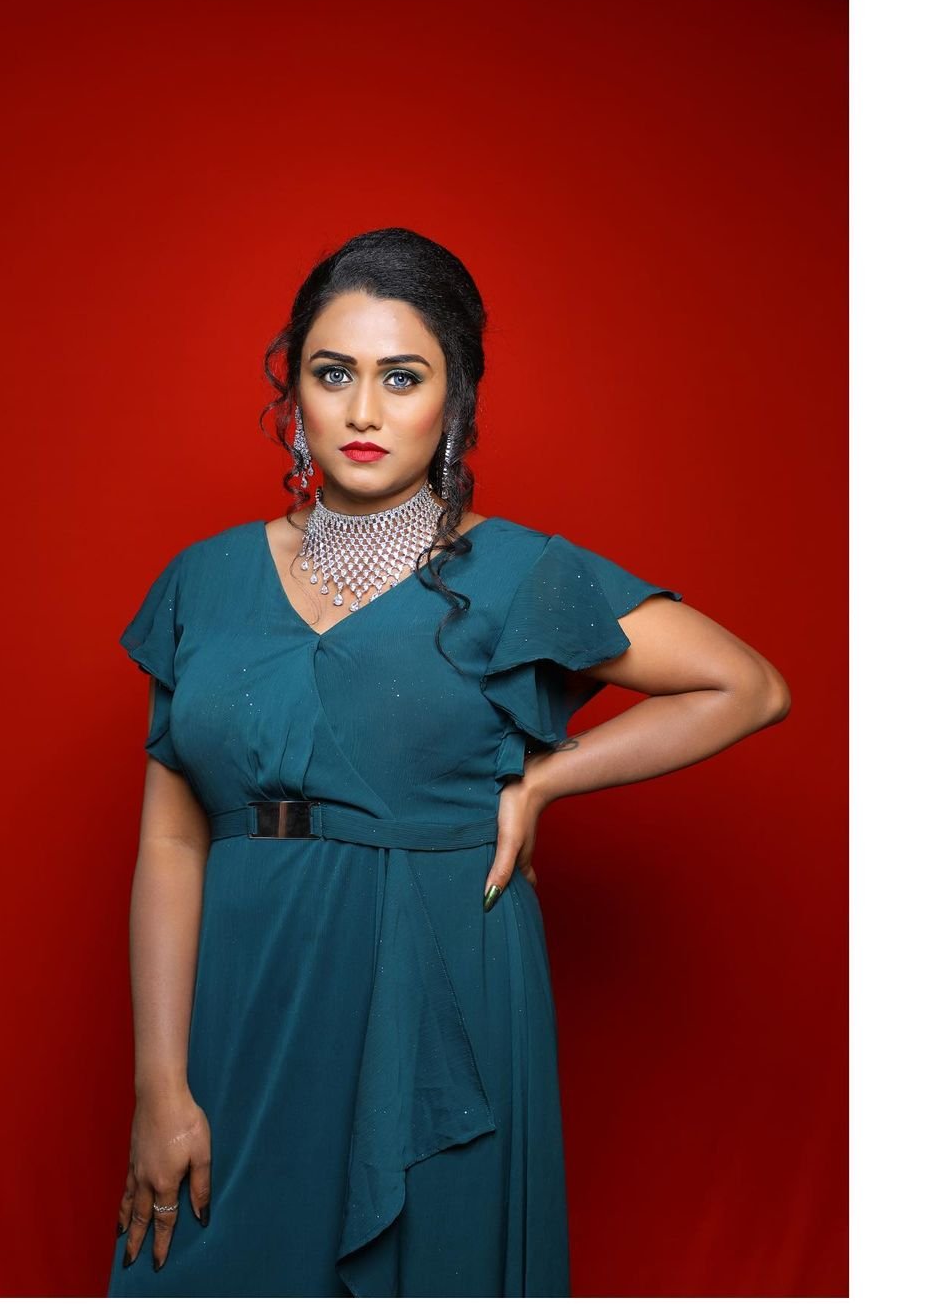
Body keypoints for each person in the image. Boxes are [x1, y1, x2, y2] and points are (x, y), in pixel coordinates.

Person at [105, 227, 790, 1298]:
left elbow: (747, 686)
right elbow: (171, 839)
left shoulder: (514, 574)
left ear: (453, 399)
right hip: (244, 994)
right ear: (294, 393)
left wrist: (545, 778)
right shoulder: (204, 581)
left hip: (439, 997)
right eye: (333, 373)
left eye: (402, 377)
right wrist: (160, 1086)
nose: (363, 411)